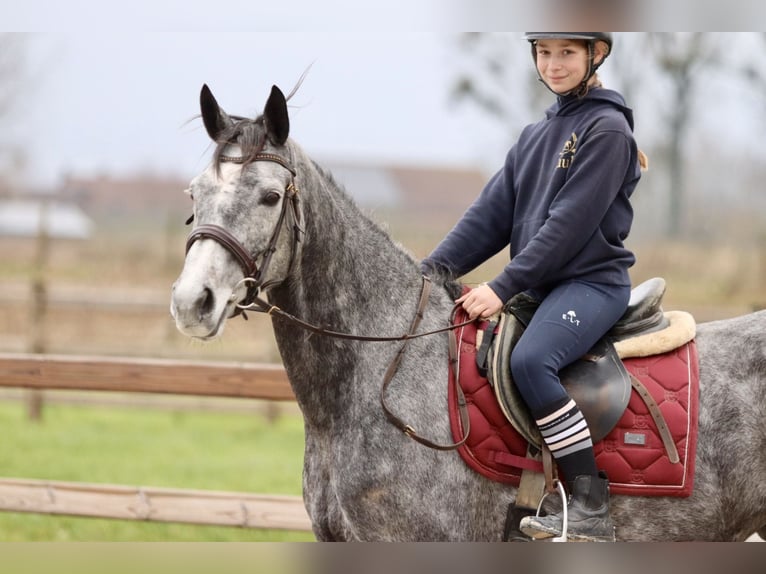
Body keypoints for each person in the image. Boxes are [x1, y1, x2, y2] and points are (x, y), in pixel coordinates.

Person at [421, 32, 647, 542]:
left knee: (530, 360)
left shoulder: (608, 131)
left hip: (591, 284)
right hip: (541, 287)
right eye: (544, 53)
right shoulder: (533, 136)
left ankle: (589, 503)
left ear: (597, 54)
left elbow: (568, 226)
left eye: (566, 52)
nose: (554, 64)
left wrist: (502, 287)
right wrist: (425, 275)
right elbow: (488, 219)